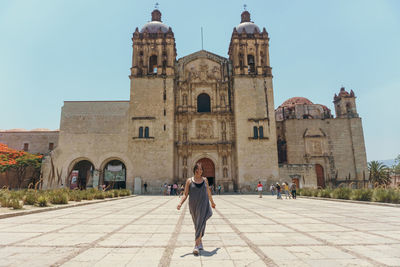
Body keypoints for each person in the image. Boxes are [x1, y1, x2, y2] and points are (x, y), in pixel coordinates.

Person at [177, 163, 216, 255]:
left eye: (201, 170)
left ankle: (196, 246)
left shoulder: (205, 180)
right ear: (194, 170)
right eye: (198, 169)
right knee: (197, 224)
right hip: (193, 205)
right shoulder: (189, 181)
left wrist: (212, 202)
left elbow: (208, 193)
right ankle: (200, 242)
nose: (200, 171)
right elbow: (185, 194)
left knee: (199, 223)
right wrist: (180, 203)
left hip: (203, 204)